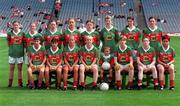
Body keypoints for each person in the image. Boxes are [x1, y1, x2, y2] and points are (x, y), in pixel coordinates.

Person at [7, 21, 25, 87]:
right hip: (12, 54)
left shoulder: (22, 33)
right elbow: (8, 43)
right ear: (12, 26)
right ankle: (10, 83)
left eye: (17, 25)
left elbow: (24, 43)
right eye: (14, 25)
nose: (16, 26)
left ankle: (20, 83)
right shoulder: (9, 33)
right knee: (11, 68)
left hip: (20, 54)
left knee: (20, 69)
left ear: (19, 25)